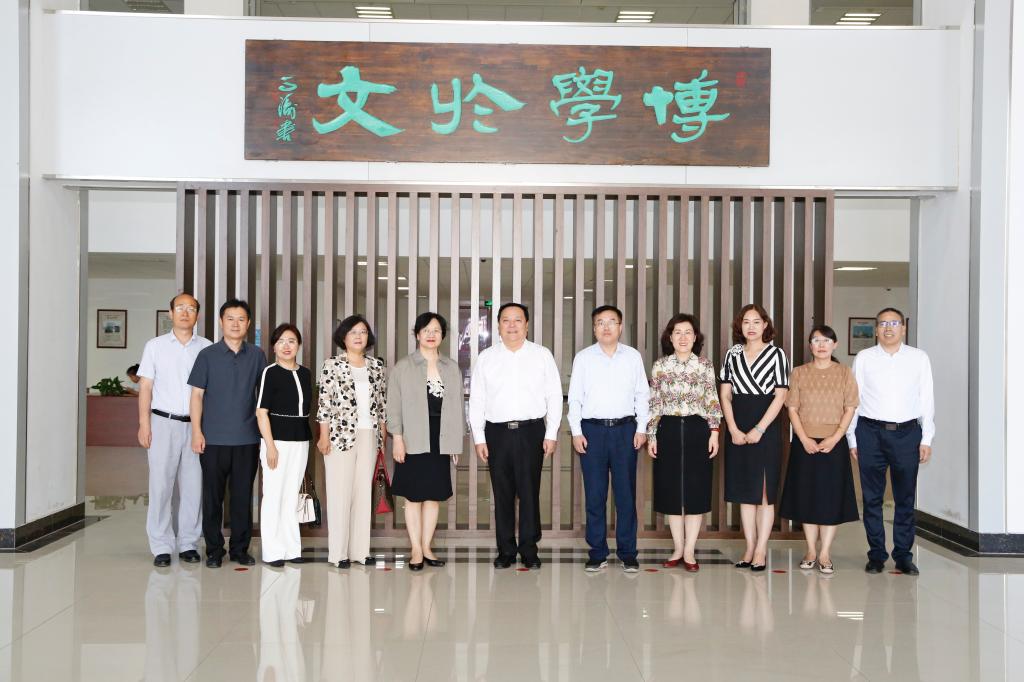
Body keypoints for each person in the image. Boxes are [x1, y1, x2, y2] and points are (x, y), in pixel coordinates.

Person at [469, 302, 562, 569]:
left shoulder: (542, 355)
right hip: (497, 433)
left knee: (530, 492)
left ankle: (529, 549)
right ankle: (506, 550)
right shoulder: (486, 357)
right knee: (502, 493)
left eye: (517, 320)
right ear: (498, 326)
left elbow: (554, 395)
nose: (512, 325)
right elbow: (477, 399)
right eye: (506, 320)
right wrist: (479, 437)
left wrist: (551, 432)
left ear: (527, 325)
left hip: (532, 431)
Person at [848, 308, 934, 576]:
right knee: (872, 498)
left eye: (894, 323)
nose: (888, 328)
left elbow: (927, 400)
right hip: (870, 432)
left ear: (903, 328)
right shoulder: (864, 357)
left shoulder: (919, 358)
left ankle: (903, 556)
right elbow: (853, 399)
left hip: (907, 433)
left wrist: (927, 437)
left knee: (904, 498)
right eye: (883, 324)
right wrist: (852, 437)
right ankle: (876, 555)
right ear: (876, 329)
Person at [567, 305, 650, 573]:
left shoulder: (632, 357)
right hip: (592, 432)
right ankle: (597, 552)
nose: (606, 327)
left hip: (625, 431)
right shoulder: (583, 358)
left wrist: (641, 428)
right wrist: (576, 432)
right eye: (600, 322)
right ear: (594, 328)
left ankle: (628, 553)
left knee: (625, 495)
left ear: (620, 327)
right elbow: (575, 398)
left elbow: (642, 394)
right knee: (595, 495)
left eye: (611, 322)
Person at [188, 299, 267, 568]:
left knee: (242, 497)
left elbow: (263, 397)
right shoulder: (207, 355)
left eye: (241, 319)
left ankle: (240, 549)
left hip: (247, 438)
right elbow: (196, 396)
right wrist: (196, 432)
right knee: (212, 497)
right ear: (221, 322)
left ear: (248, 324)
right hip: (212, 439)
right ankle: (213, 549)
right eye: (230, 318)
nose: (235, 324)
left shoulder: (257, 355)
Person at [136, 293, 212, 567]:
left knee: (193, 486)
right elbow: (145, 387)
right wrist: (144, 424)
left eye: (191, 308)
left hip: (195, 426)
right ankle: (161, 546)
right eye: (180, 307)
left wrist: (203, 429)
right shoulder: (155, 346)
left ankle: (189, 543)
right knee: (161, 486)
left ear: (197, 315)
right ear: (170, 313)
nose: (185, 312)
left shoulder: (206, 347)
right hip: (162, 423)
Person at [779, 325, 860, 575]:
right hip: (805, 442)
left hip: (834, 443)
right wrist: (803, 438)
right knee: (807, 496)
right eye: (816, 340)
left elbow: (850, 407)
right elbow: (792, 408)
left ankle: (825, 552)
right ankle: (811, 551)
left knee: (830, 498)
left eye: (826, 340)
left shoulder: (845, 372)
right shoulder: (799, 373)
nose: (822, 345)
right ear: (810, 345)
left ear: (835, 345)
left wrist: (836, 438)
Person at [387, 312, 463, 571]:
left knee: (433, 495)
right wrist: (397, 439)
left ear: (442, 336)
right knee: (413, 496)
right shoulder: (403, 366)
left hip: (441, 437)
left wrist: (455, 442)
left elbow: (457, 407)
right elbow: (393, 407)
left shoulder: (451, 367)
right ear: (417, 334)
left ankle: (427, 546)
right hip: (412, 436)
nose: (431, 335)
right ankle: (416, 549)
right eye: (426, 330)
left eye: (436, 331)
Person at [647, 313, 722, 572]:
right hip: (667, 429)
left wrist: (714, 432)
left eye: (688, 332)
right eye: (677, 332)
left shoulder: (704, 366)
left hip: (697, 429)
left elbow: (712, 399)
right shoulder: (660, 366)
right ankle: (677, 548)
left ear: (695, 337)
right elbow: (654, 402)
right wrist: (652, 435)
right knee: (671, 491)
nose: (682, 337)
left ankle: (690, 550)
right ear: (670, 337)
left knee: (695, 491)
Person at [719, 304, 790, 572]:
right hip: (738, 422)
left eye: (756, 321)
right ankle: (749, 547)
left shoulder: (776, 354)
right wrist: (733, 429)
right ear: (740, 326)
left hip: (767, 426)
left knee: (763, 492)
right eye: (746, 322)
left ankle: (761, 549)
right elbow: (725, 394)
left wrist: (759, 429)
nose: (751, 326)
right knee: (745, 491)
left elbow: (780, 396)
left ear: (765, 325)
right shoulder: (732, 354)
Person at [316, 315, 387, 569]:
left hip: (369, 435)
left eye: (363, 332)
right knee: (339, 493)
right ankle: (338, 553)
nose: (359, 336)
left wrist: (382, 437)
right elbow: (324, 403)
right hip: (339, 436)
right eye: (353, 332)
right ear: (343, 337)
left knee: (362, 494)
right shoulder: (332, 365)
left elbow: (382, 405)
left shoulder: (376, 366)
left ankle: (360, 551)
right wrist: (323, 435)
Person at [255, 323, 312, 567]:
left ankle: (291, 548)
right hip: (276, 441)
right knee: (274, 495)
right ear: (274, 347)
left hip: (301, 440)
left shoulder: (306, 373)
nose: (286, 346)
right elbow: (261, 412)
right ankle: (273, 550)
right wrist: (270, 446)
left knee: (291, 494)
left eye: (291, 341)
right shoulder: (270, 372)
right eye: (281, 341)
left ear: (298, 345)